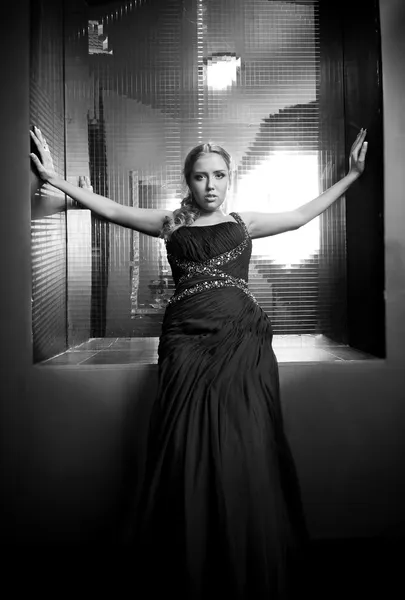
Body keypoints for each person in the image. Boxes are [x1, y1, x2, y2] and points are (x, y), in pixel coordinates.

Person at [30, 126, 368, 598]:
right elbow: (107, 208)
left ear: (231, 179)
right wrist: (55, 178)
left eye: (219, 175)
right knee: (183, 437)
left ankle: (244, 552)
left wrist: (352, 176)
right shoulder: (170, 224)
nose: (210, 185)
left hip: (241, 335)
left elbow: (298, 215)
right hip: (186, 337)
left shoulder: (245, 222)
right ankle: (191, 556)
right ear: (187, 181)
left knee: (245, 435)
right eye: (200, 176)